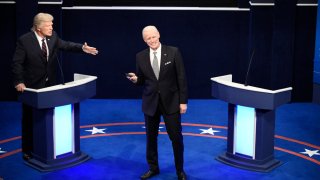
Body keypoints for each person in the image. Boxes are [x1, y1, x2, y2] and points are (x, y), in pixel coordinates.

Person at [11, 12, 98, 160]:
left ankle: (48, 145)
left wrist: (82, 48)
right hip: (31, 87)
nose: (52, 27)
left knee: (48, 116)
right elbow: (17, 63)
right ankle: (27, 149)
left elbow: (66, 45)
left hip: (50, 85)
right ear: (39, 27)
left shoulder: (53, 37)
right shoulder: (25, 40)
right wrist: (19, 81)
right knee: (29, 118)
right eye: (48, 25)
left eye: (52, 24)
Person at [127, 25, 188, 180]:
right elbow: (143, 79)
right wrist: (136, 80)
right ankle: (153, 168)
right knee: (151, 138)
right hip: (150, 103)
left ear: (159, 35)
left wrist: (183, 102)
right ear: (144, 40)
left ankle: (180, 171)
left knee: (176, 138)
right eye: (148, 38)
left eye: (153, 36)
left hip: (172, 102)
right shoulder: (140, 56)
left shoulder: (174, 52)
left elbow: (181, 78)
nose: (152, 40)